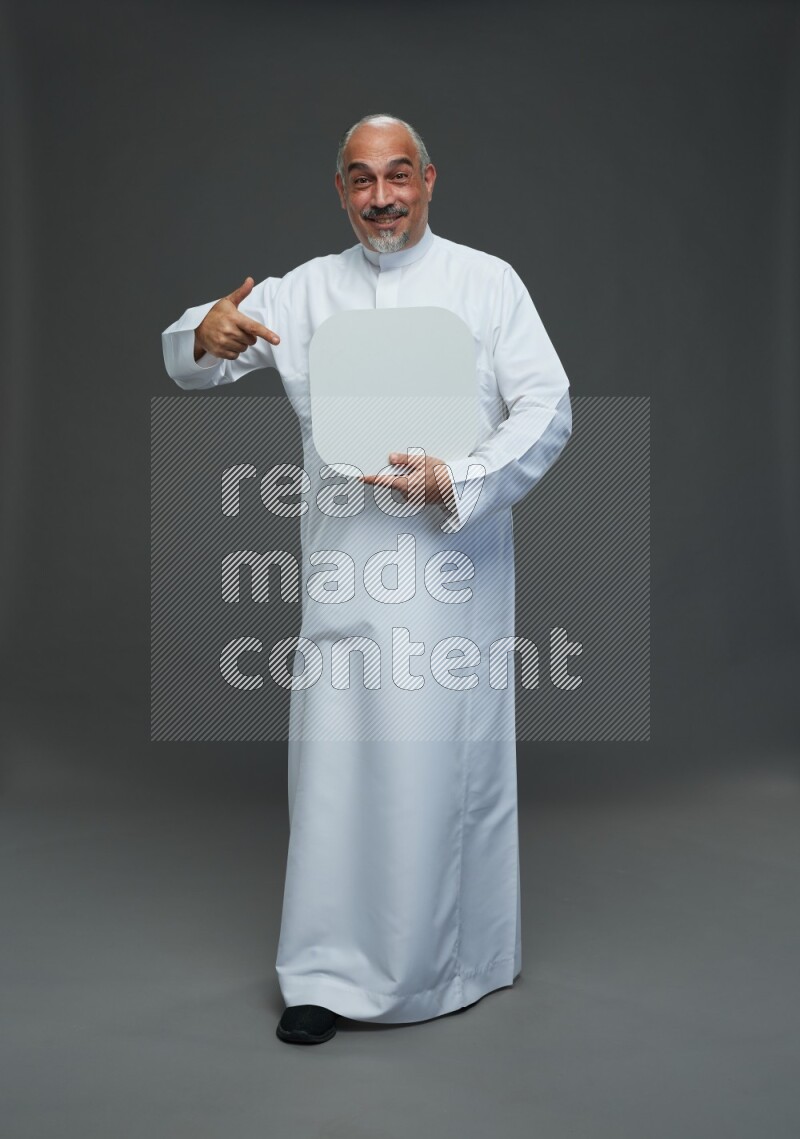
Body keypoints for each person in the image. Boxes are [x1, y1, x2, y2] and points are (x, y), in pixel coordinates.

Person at [161, 113, 572, 1045]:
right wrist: (205, 330)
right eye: (360, 180)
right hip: (344, 573)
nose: (381, 197)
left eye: (397, 176)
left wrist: (457, 479)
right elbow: (203, 354)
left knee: (436, 774)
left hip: (449, 574)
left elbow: (547, 408)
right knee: (337, 776)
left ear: (430, 178)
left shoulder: (486, 283)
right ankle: (323, 973)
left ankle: (452, 964)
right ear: (340, 191)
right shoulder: (306, 293)